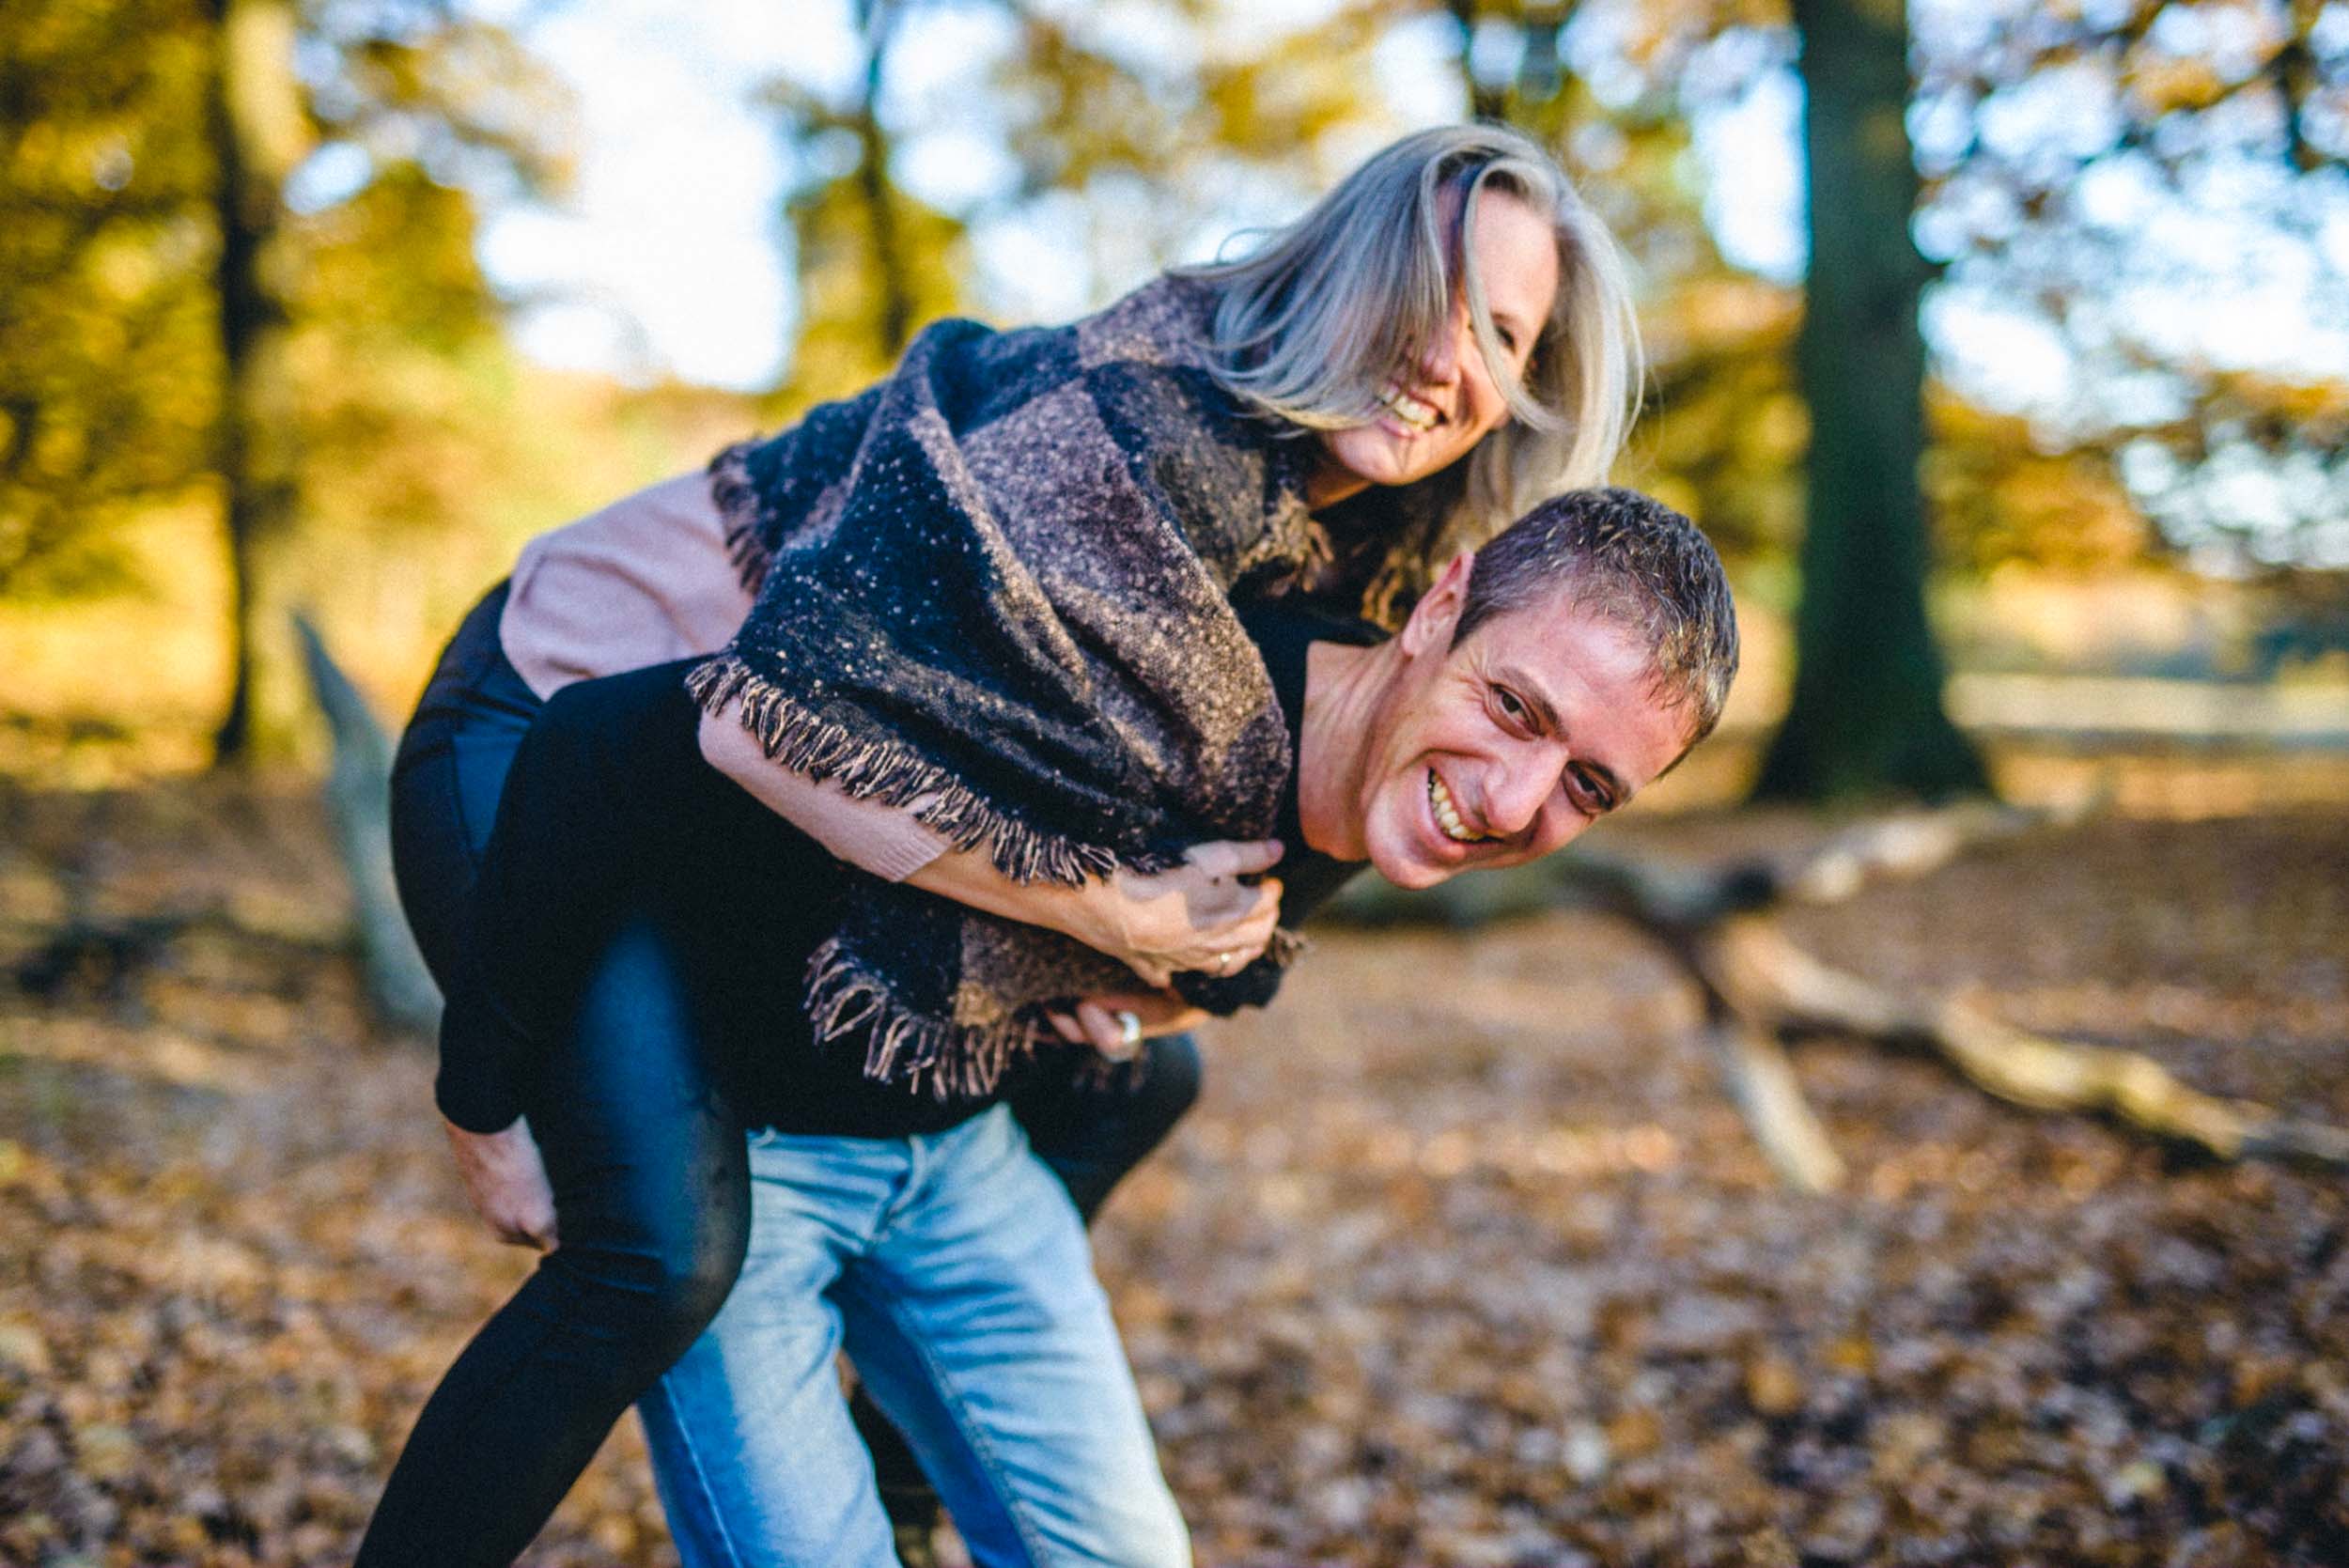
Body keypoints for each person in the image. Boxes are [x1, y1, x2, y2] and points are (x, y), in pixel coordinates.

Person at [361, 121, 1645, 1567]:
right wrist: (1107, 910)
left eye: (1503, 331)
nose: (1448, 350)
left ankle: (912, 1457)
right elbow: (741, 726)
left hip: (711, 782)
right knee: (656, 1258)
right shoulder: (1131, 439)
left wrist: (1146, 957)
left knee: (1133, 1081)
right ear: (1346, 272)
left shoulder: (1363, 543)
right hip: (554, 707)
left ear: (1521, 395)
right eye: (1433, 288)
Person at [460, 489, 1737, 1568]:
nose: (1513, 799)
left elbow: (1224, 965)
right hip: (740, 1152)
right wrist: (488, 1099)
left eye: (1586, 786)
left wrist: (1133, 995)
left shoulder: (1382, 778)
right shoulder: (1134, 667)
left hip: (962, 1163)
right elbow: (613, 737)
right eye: (1517, 708)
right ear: (1441, 606)